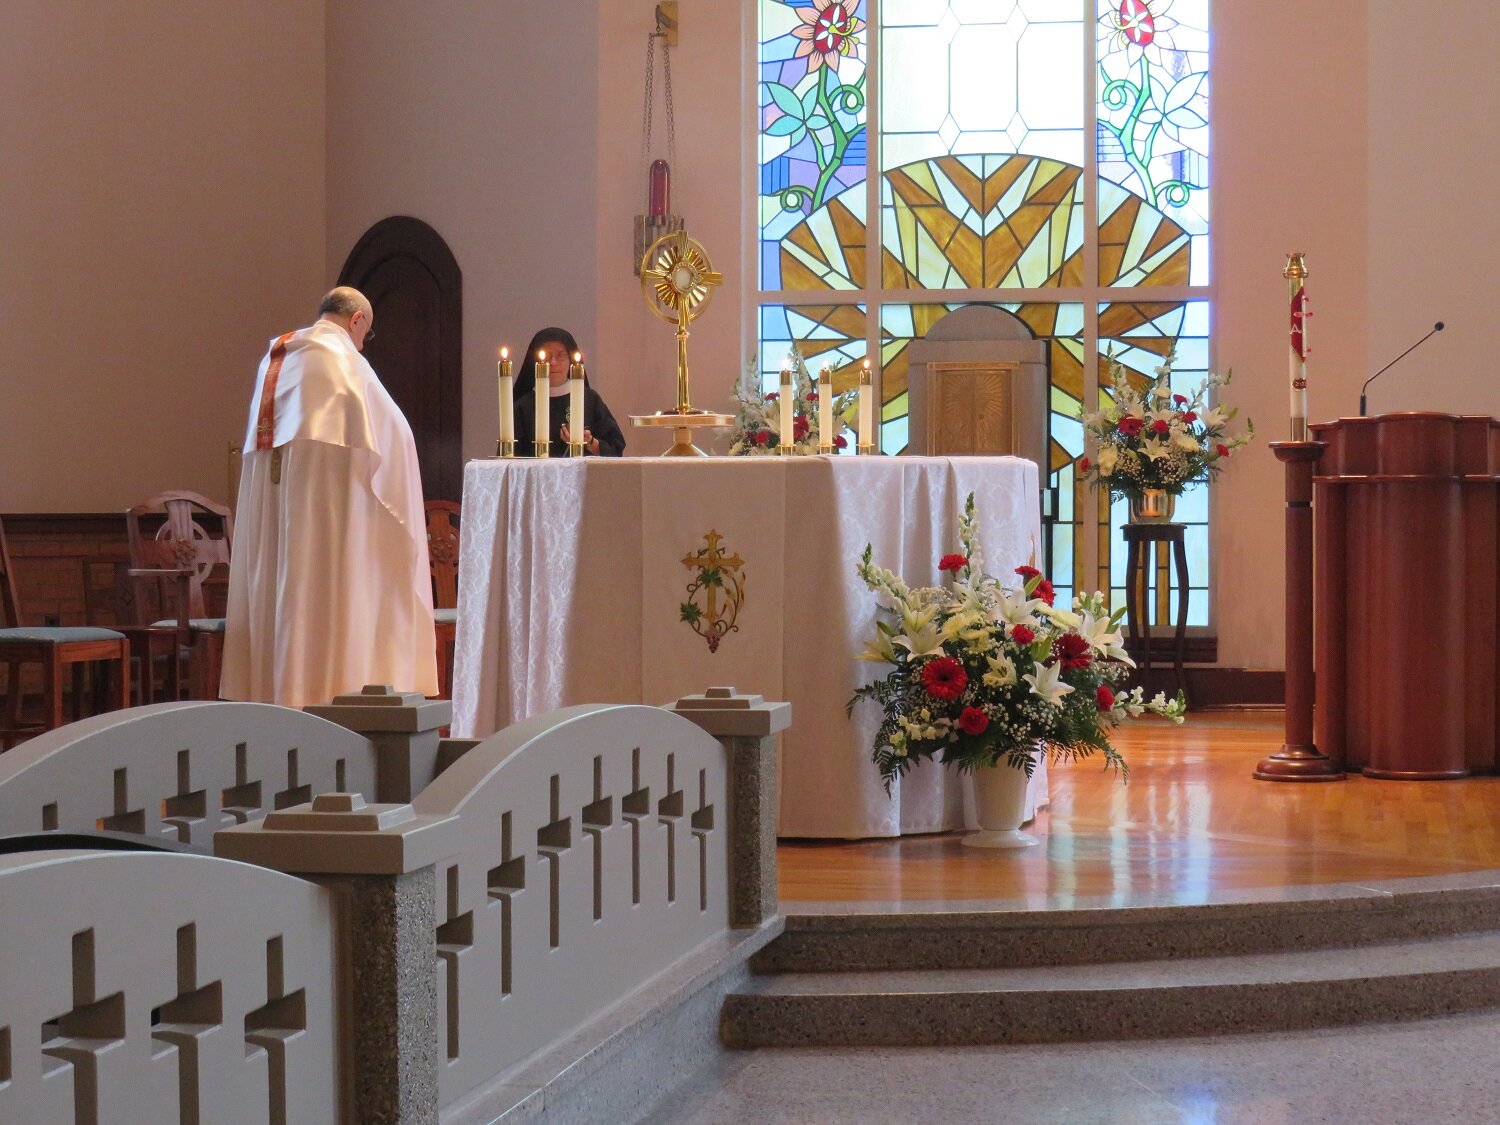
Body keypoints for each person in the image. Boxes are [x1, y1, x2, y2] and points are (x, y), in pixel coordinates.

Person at [221, 286, 438, 708]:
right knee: (328, 585)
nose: (363, 344)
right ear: (356, 321)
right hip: (329, 508)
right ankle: (326, 689)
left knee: (285, 583)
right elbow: (397, 433)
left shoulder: (275, 359)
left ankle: (277, 689)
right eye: (366, 334)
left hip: (282, 501)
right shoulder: (342, 358)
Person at [513, 327, 626, 457]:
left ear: (570, 360)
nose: (553, 363)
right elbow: (511, 460)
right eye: (546, 356)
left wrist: (588, 442)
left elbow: (615, 449)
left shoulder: (589, 400)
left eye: (560, 355)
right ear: (535, 362)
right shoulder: (523, 406)